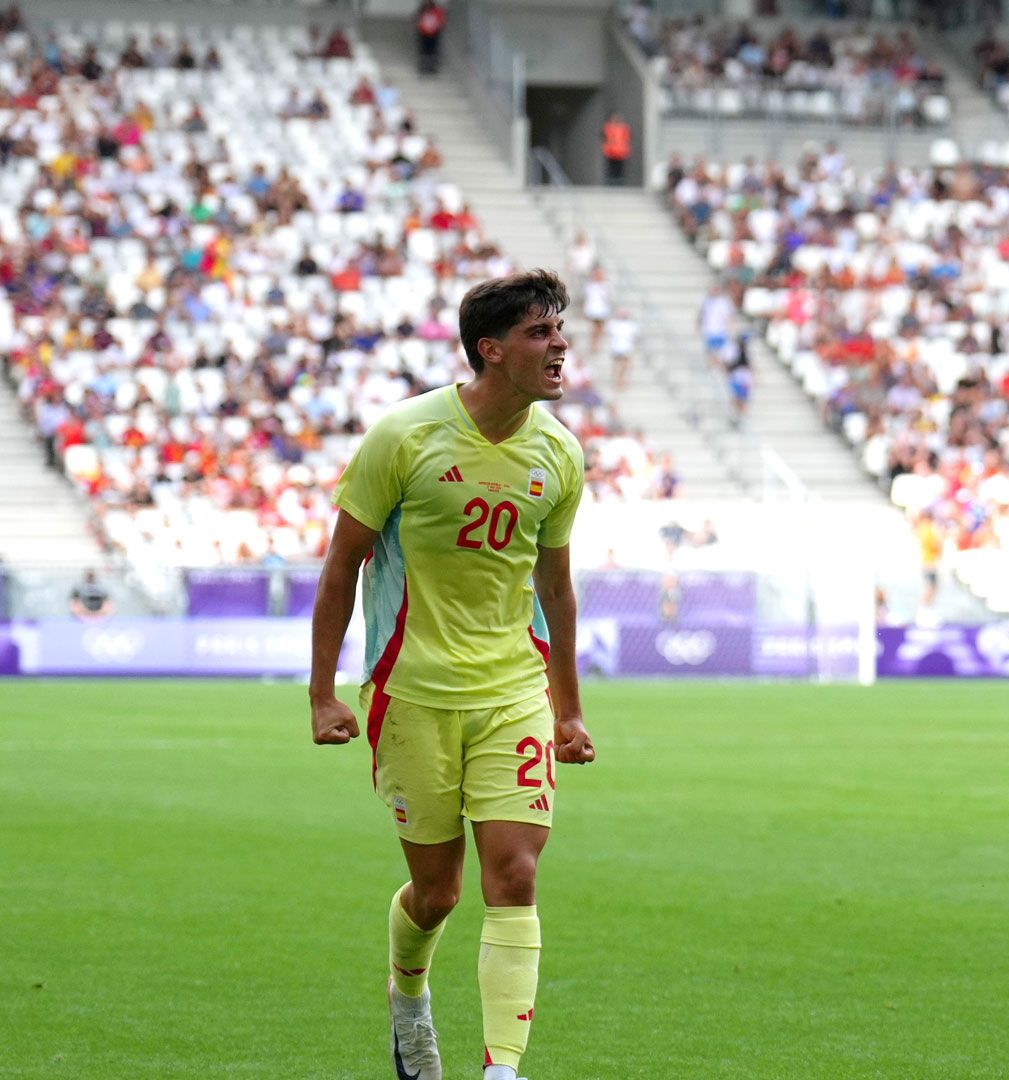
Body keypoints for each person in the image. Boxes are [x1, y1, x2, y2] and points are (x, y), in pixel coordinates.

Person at [307, 270, 595, 1080]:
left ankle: (502, 1069)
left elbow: (556, 587)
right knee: (436, 894)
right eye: (541, 333)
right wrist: (323, 691)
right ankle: (408, 997)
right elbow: (340, 569)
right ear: (489, 350)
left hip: (513, 694)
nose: (560, 345)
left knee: (516, 871)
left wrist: (568, 711)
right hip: (413, 696)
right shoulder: (405, 436)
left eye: (560, 330)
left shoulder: (558, 453)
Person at [415, 0, 446, 75]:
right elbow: (419, 21)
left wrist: (435, 29)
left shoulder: (437, 11)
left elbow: (440, 21)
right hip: (424, 34)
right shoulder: (423, 10)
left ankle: (432, 67)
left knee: (433, 51)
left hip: (434, 35)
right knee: (424, 51)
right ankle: (423, 67)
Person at [601, 113, 631, 185]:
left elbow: (626, 139)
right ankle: (611, 183)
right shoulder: (608, 127)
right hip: (611, 152)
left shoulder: (623, 128)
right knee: (611, 170)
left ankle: (619, 183)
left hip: (620, 153)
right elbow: (605, 138)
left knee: (619, 170)